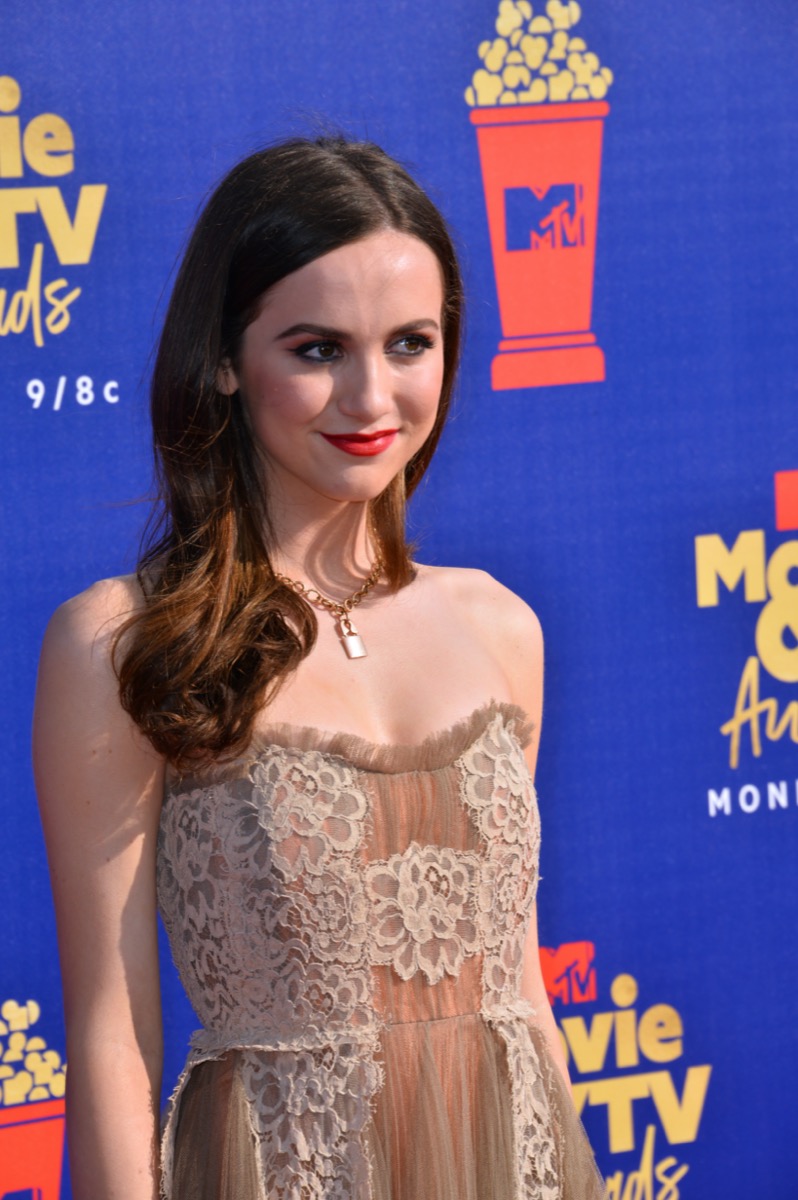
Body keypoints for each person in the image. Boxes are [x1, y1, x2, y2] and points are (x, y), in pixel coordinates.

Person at [33, 136, 604, 1200]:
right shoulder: (121, 644)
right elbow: (112, 1034)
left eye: (410, 343)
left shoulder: (500, 626)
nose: (371, 396)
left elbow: (519, 989)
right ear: (223, 359)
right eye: (318, 349)